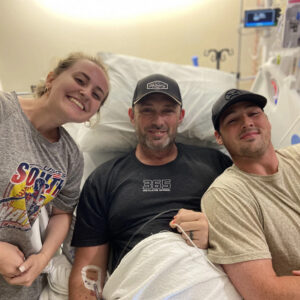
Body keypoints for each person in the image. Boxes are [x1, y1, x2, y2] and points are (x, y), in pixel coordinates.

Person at [69, 74, 235, 299]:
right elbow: (88, 270)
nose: (158, 121)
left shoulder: (215, 165)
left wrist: (216, 234)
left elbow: (246, 230)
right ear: (132, 116)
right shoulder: (103, 180)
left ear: (181, 117)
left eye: (168, 111)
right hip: (139, 283)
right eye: (147, 110)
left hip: (205, 280)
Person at [0, 52, 110, 300]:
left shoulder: (70, 156)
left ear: (93, 113)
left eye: (96, 95)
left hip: (19, 285)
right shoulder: (4, 111)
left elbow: (62, 213)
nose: (86, 93)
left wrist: (41, 259)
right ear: (51, 79)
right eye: (80, 80)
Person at [201, 88, 300, 299]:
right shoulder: (225, 196)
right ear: (219, 137)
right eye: (233, 120)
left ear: (267, 120)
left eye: (254, 113)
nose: (247, 123)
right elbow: (264, 292)